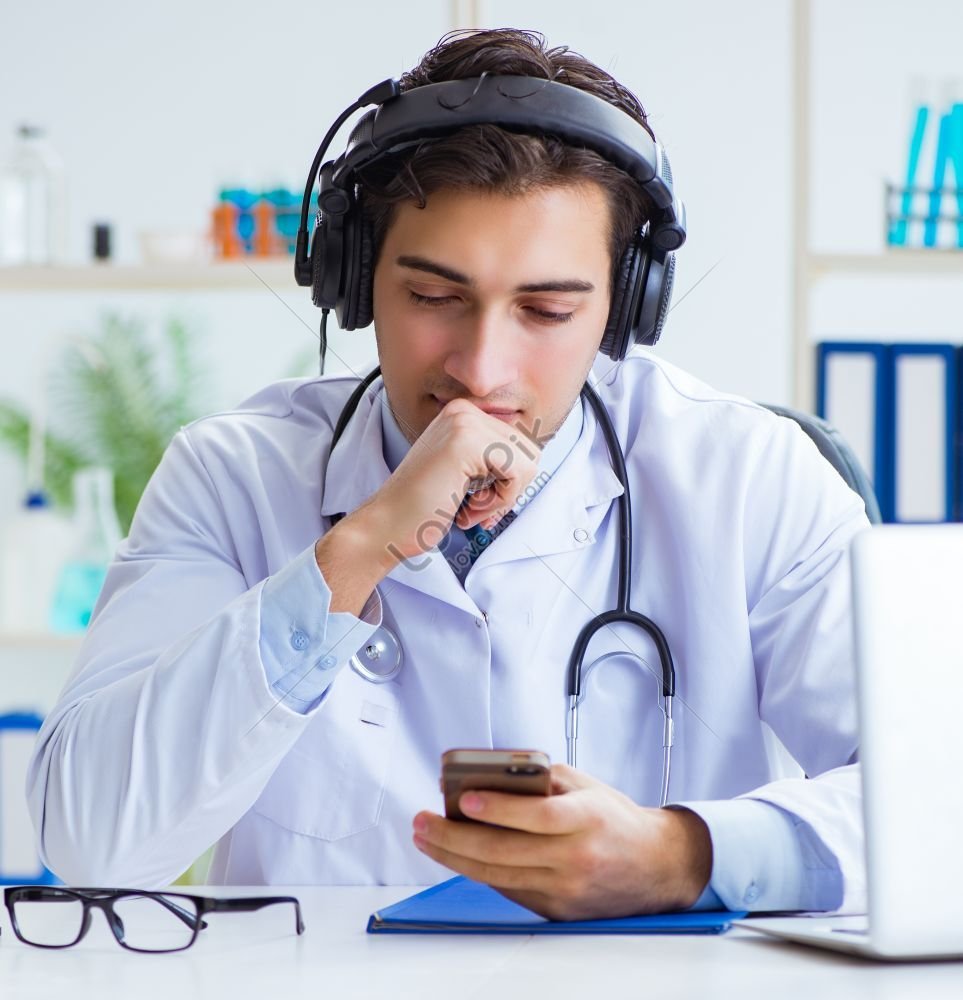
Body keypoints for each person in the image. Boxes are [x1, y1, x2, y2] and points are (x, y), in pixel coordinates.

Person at [27, 28, 867, 921]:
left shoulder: (749, 477)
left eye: (545, 309)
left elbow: (937, 797)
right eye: (432, 298)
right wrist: (357, 551)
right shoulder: (230, 476)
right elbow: (91, 839)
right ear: (354, 282)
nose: (480, 367)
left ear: (625, 307)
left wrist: (682, 855)